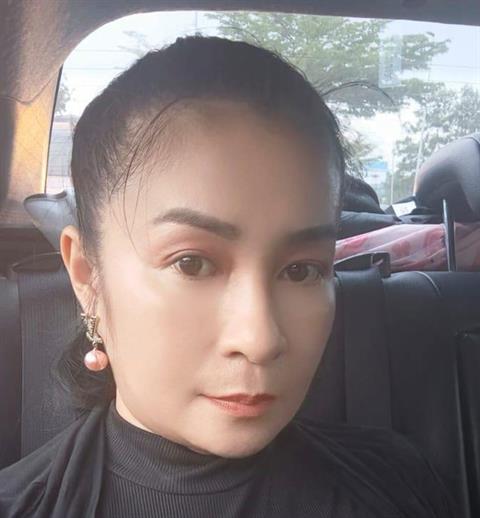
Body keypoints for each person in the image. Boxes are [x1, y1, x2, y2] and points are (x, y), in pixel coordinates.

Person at [0, 36, 453, 518]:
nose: (260, 340)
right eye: (191, 263)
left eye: (301, 270)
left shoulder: (399, 484)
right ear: (88, 276)